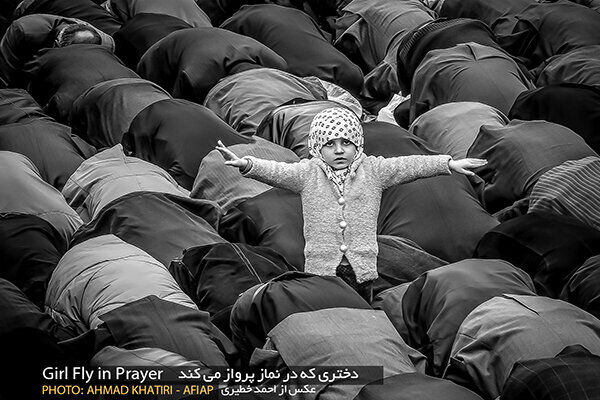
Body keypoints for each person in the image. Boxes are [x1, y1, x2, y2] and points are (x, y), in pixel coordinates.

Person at [216, 107, 486, 301]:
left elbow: (410, 164)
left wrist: (447, 163)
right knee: (329, 305)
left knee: (362, 305)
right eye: (330, 144)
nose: (339, 150)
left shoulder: (374, 170)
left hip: (363, 265)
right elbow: (277, 171)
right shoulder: (307, 174)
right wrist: (246, 164)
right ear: (317, 148)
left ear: (358, 144)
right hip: (322, 266)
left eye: (346, 143)